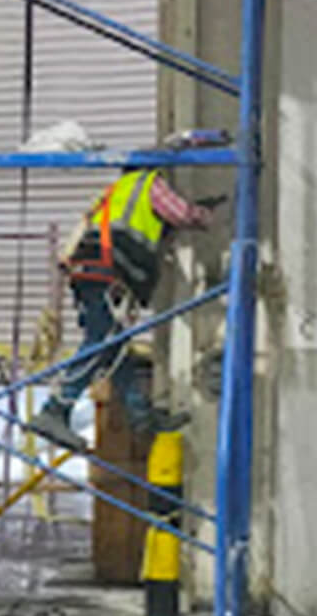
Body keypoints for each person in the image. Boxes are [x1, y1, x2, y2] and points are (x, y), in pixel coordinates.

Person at [31, 166, 218, 452]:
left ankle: (139, 413)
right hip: (105, 271)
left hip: (93, 272)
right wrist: (205, 215)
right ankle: (56, 409)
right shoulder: (147, 183)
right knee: (101, 342)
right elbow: (180, 213)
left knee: (115, 347)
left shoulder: (114, 193)